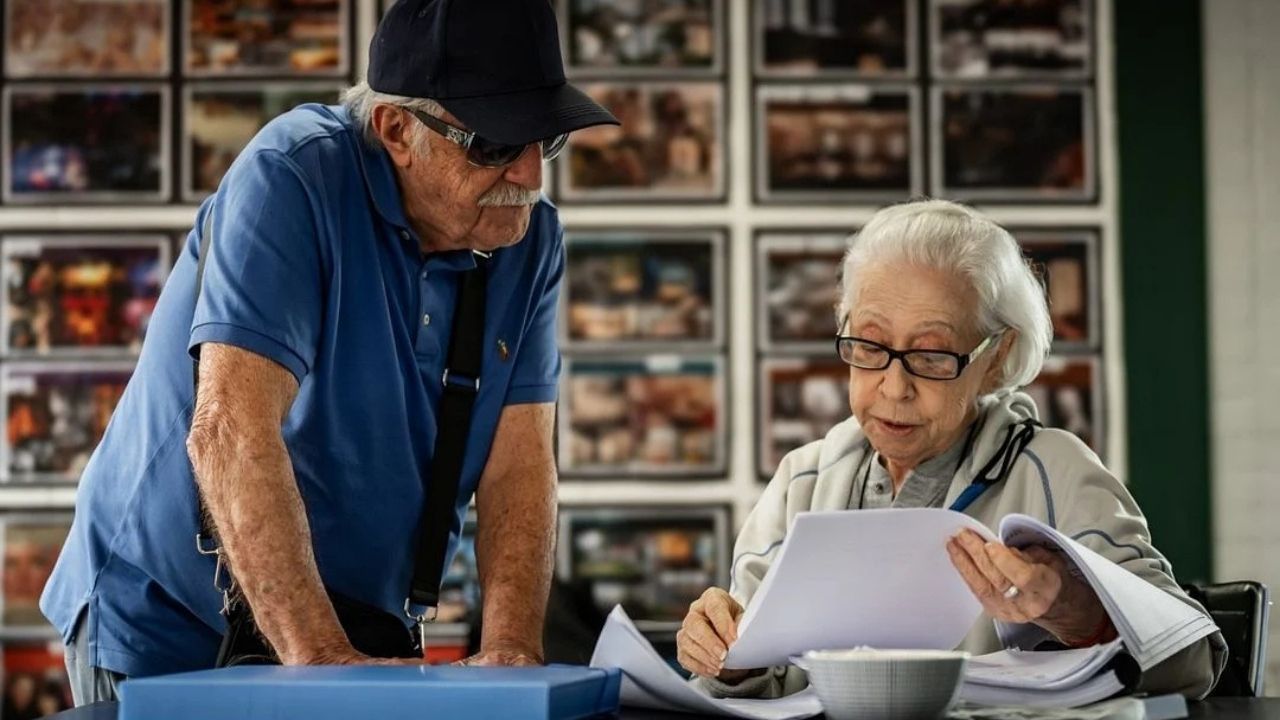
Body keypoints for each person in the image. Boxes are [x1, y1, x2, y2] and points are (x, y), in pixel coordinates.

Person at [39, 0, 618, 706]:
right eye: (495, 144)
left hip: (354, 624)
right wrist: (322, 662)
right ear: (397, 129)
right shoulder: (294, 177)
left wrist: (512, 661)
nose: (530, 172)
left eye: (545, 141)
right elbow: (230, 429)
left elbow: (519, 463)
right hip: (169, 620)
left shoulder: (528, 236)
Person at [676, 200, 1226, 699]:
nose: (893, 387)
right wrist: (724, 657)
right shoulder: (803, 479)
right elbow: (747, 673)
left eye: (933, 356)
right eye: (869, 345)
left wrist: (1076, 612)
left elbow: (1192, 662)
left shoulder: (1055, 472)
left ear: (996, 358)